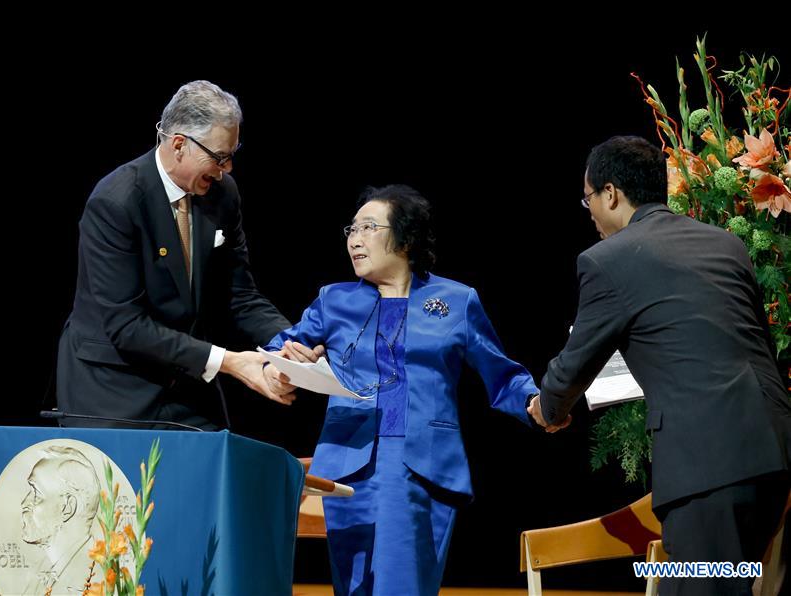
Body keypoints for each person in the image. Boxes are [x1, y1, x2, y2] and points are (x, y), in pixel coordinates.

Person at [528, 135, 791, 595]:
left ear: (610, 193)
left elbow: (573, 364)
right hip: (772, 453)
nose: (588, 211)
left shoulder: (607, 260)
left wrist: (548, 410)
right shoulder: (725, 244)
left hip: (709, 463)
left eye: (588, 198)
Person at [263, 185, 551, 595]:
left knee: (403, 584)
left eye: (368, 227)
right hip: (349, 464)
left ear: (405, 238)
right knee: (353, 586)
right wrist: (286, 364)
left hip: (420, 464)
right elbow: (279, 349)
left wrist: (536, 405)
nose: (354, 239)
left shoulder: (455, 300)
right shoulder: (334, 300)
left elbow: (501, 374)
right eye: (351, 229)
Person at [56, 80, 293, 430]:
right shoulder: (116, 201)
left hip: (185, 383)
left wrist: (288, 346)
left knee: (214, 473)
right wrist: (229, 361)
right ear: (179, 144)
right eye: (219, 157)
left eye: (232, 155)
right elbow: (126, 325)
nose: (227, 169)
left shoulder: (222, 194)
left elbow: (240, 295)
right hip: (113, 387)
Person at [20, 446, 99, 594]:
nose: (24, 503)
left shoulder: (98, 577)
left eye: (36, 493)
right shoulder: (39, 573)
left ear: (67, 507)